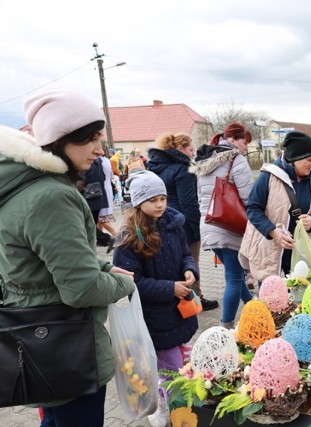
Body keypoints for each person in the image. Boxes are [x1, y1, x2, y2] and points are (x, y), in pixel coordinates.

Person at [0, 89, 135, 426]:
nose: (99, 149)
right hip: (65, 346)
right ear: (59, 140)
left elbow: (39, 263)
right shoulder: (51, 196)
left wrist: (101, 266)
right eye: (88, 139)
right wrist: (121, 283)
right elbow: (80, 289)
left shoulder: (23, 187)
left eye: (99, 138)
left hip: (36, 340)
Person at [112, 171, 199, 427]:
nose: (160, 204)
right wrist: (169, 288)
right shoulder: (129, 237)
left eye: (162, 198)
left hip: (181, 313)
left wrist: (189, 270)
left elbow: (186, 253)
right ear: (139, 202)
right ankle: (168, 409)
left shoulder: (173, 223)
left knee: (184, 362)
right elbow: (130, 281)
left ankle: (185, 406)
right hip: (155, 318)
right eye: (153, 200)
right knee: (170, 370)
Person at [239, 131, 311, 281]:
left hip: (299, 253)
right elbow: (253, 209)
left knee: (300, 298)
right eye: (309, 160)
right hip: (268, 251)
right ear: (294, 159)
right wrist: (273, 231)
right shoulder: (268, 176)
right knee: (272, 300)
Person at [190, 123, 254, 328]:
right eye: (244, 143)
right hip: (231, 225)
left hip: (210, 224)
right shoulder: (236, 159)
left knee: (233, 274)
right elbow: (249, 197)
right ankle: (226, 328)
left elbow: (201, 197)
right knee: (234, 280)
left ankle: (252, 306)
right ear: (233, 140)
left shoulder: (205, 160)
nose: (245, 148)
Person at [147, 133, 218, 311]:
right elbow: (189, 202)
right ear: (180, 149)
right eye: (191, 150)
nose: (193, 154)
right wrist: (196, 228)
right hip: (182, 222)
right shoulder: (182, 168)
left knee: (169, 261)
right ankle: (195, 298)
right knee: (191, 261)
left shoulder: (155, 165)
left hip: (158, 220)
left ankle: (175, 295)